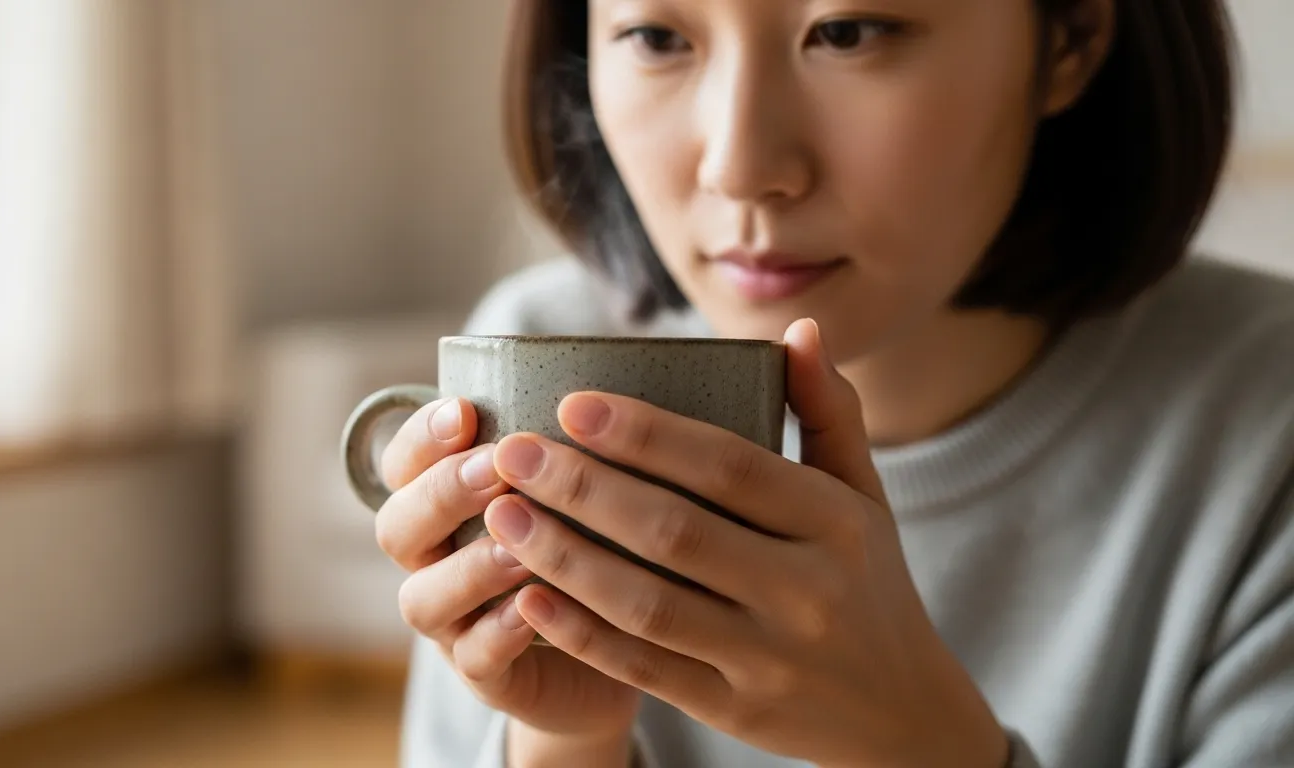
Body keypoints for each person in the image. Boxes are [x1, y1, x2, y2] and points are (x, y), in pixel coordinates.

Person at [364, 1, 1294, 765]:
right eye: (657, 37)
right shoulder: (529, 356)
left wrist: (924, 744)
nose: (742, 167)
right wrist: (565, 741)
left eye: (848, 32)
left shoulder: (1265, 424)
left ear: (1071, 40)